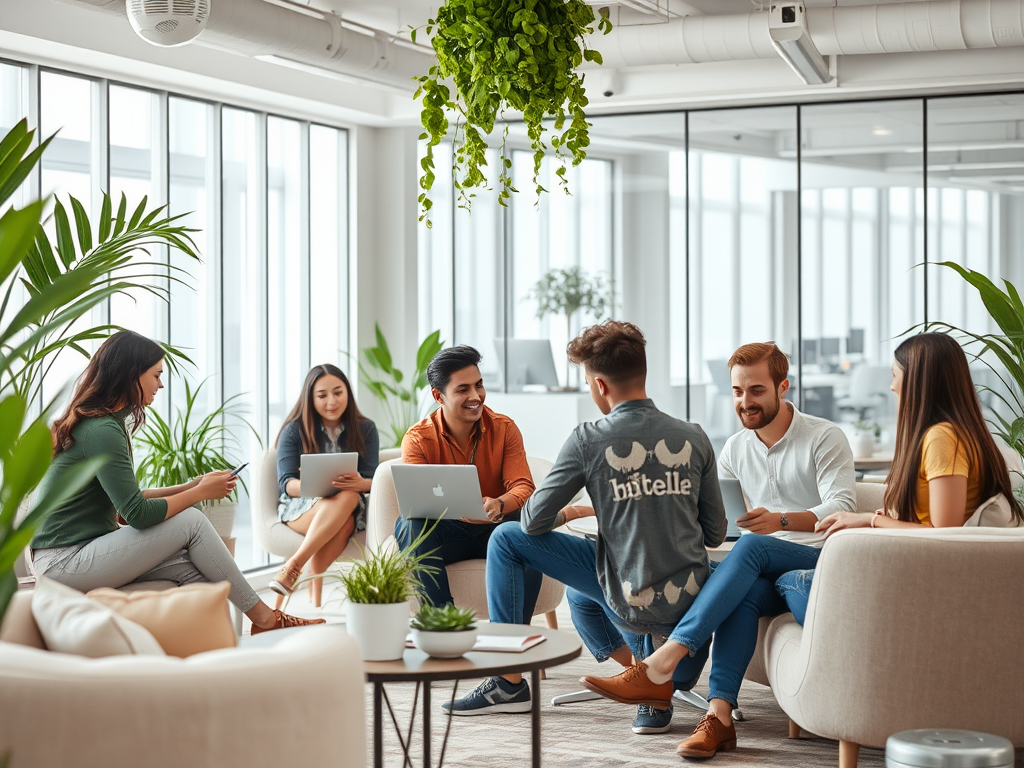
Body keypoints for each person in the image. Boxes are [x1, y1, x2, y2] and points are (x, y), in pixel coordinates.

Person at [578, 341, 857, 758]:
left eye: (757, 390)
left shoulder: (824, 436)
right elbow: (716, 520)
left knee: (754, 547)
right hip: (760, 566)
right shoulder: (734, 449)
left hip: (818, 555)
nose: (745, 402)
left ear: (783, 388)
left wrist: (781, 520)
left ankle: (663, 661)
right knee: (741, 592)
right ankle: (719, 718)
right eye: (737, 391)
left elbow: (842, 507)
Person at [442, 320, 728, 721]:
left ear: (600, 386)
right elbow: (715, 531)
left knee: (506, 538)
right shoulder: (695, 436)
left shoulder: (589, 439)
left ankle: (509, 682)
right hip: (690, 618)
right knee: (589, 585)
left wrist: (574, 512)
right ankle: (650, 682)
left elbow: (532, 521)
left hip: (630, 606)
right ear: (643, 373)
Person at [31, 331, 324, 635]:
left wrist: (191, 485)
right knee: (192, 523)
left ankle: (221, 651)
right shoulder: (102, 429)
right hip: (64, 562)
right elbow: (136, 514)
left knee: (194, 568)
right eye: (156, 375)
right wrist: (199, 493)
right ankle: (266, 620)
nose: (160, 383)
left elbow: (128, 500)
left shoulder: (105, 423)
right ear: (132, 374)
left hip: (80, 552)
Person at [775, 331, 1024, 624]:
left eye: (895, 375)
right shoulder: (955, 433)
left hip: (926, 575)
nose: (892, 387)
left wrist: (869, 519)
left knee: (789, 580)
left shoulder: (942, 438)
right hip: (920, 566)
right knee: (770, 572)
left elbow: (945, 536)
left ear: (919, 381)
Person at [395, 345, 539, 611]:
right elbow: (416, 501)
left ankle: (515, 630)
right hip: (450, 535)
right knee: (408, 523)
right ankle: (443, 620)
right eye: (463, 389)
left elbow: (523, 486)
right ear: (438, 396)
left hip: (497, 530)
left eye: (479, 385)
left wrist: (499, 505)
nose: (476, 396)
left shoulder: (504, 429)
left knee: (527, 525)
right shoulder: (418, 438)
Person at [269, 364, 379, 607]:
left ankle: (298, 581)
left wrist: (361, 482)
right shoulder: (294, 430)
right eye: (322, 395)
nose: (332, 401)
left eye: (338, 393)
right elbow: (287, 484)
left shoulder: (366, 428)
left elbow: (374, 478)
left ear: (348, 393)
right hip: (300, 508)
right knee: (348, 499)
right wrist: (317, 485)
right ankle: (298, 568)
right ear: (310, 398)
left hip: (348, 507)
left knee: (348, 501)